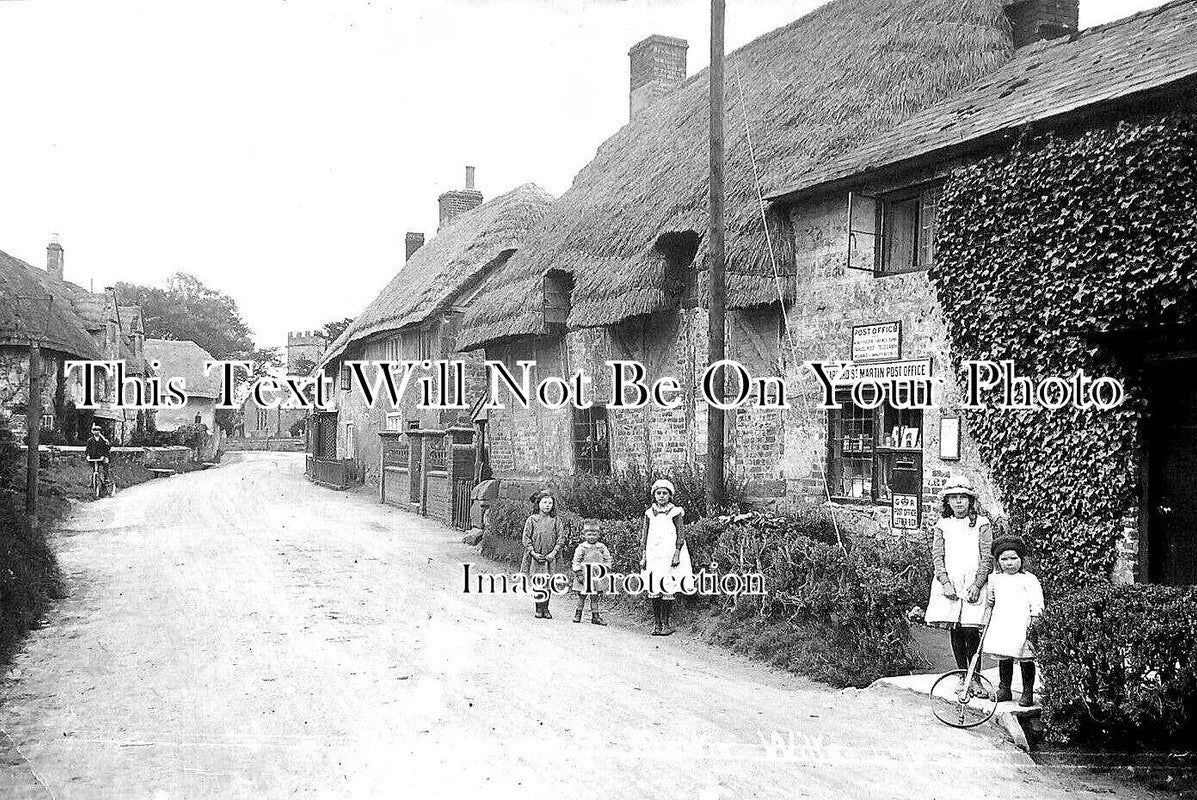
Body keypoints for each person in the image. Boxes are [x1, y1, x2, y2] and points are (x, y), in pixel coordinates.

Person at [924, 475, 993, 696]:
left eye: (963, 497)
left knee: (972, 630)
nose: (959, 502)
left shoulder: (982, 524)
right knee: (956, 629)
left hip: (973, 583)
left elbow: (987, 557)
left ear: (971, 500)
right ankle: (962, 676)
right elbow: (937, 555)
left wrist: (978, 583)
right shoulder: (943, 525)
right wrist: (944, 582)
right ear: (947, 502)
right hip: (951, 584)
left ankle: (976, 677)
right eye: (953, 498)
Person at [983, 536, 1044, 707]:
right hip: (1002, 622)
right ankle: (1004, 688)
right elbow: (991, 599)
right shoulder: (995, 578)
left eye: (1013, 558)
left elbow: (1037, 602)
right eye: (1004, 559)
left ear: (1021, 559)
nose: (1009, 563)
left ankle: (1027, 692)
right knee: (1004, 655)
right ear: (998, 561)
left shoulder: (1028, 579)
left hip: (1021, 623)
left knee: (1026, 657)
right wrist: (988, 608)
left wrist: (1034, 619)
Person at [639, 478, 692, 636]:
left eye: (665, 493)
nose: (661, 496)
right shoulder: (649, 513)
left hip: (670, 554)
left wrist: (677, 552)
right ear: (654, 495)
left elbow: (680, 534)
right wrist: (643, 555)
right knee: (655, 586)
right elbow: (645, 535)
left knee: (668, 585)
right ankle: (656, 623)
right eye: (658, 493)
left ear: (670, 495)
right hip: (654, 554)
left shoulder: (675, 512)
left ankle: (666, 622)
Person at [519, 490, 565, 619]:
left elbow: (561, 538)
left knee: (548, 583)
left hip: (550, 557)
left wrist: (554, 552)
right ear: (538, 503)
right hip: (536, 557)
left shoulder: (556, 520)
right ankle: (538, 608)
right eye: (544, 502)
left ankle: (546, 608)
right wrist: (532, 552)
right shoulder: (532, 520)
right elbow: (526, 537)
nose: (547, 505)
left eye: (550, 503)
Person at [571, 521, 612, 626]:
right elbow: (576, 560)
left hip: (596, 575)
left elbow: (608, 559)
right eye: (589, 534)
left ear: (598, 535)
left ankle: (595, 616)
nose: (592, 537)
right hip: (584, 575)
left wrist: (606, 569)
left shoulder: (601, 547)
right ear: (584, 535)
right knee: (582, 596)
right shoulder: (582, 547)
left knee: (595, 596)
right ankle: (578, 614)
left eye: (594, 534)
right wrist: (578, 572)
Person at [84, 423, 112, 487]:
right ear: (93, 432)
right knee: (95, 469)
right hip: (94, 457)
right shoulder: (90, 440)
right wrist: (88, 456)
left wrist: (107, 443)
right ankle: (93, 483)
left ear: (100, 432)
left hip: (103, 456)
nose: (96, 432)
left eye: (98, 430)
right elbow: (87, 450)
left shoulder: (103, 439)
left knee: (106, 463)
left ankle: (106, 478)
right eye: (95, 430)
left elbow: (107, 449)